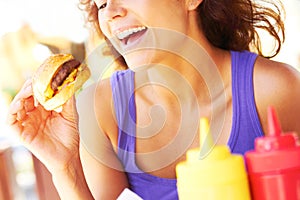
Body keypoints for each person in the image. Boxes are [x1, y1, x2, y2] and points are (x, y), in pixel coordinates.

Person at [7, 0, 300, 199]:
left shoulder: (273, 91)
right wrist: (66, 167)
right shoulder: (103, 111)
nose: (110, 13)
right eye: (101, 4)